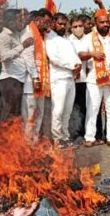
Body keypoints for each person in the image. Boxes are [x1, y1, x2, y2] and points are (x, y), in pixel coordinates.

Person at [84, 9, 110, 147]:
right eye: (102, 22)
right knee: (92, 108)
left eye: (107, 22)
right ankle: (90, 137)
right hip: (94, 79)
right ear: (96, 23)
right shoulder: (88, 38)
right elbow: (80, 54)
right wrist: (92, 54)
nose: (105, 24)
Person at [45, 12, 82, 149]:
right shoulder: (49, 38)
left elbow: (75, 56)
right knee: (58, 110)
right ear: (53, 23)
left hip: (70, 78)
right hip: (58, 79)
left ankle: (65, 137)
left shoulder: (67, 39)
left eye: (64, 24)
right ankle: (57, 139)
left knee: (67, 111)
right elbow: (54, 58)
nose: (62, 26)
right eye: (59, 23)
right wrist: (72, 66)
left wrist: (78, 66)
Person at [20, 9, 51, 142]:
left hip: (41, 83)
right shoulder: (28, 32)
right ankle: (27, 144)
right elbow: (28, 57)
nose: (47, 25)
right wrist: (35, 77)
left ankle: (35, 141)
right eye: (45, 22)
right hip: (31, 82)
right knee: (29, 116)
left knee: (39, 114)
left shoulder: (43, 36)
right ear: (37, 20)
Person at [0, 9, 28, 119]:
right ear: (11, 22)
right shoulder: (4, 36)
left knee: (15, 112)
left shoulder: (16, 34)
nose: (22, 22)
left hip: (18, 78)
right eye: (19, 19)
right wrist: (22, 46)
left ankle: (11, 135)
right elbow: (4, 57)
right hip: (10, 79)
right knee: (9, 111)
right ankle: (4, 135)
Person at [68, 16, 90, 141]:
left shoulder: (88, 39)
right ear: (70, 28)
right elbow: (76, 56)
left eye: (80, 26)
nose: (78, 29)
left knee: (83, 107)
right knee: (72, 108)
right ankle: (73, 133)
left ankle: (82, 133)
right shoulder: (68, 40)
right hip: (72, 79)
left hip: (85, 79)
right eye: (75, 27)